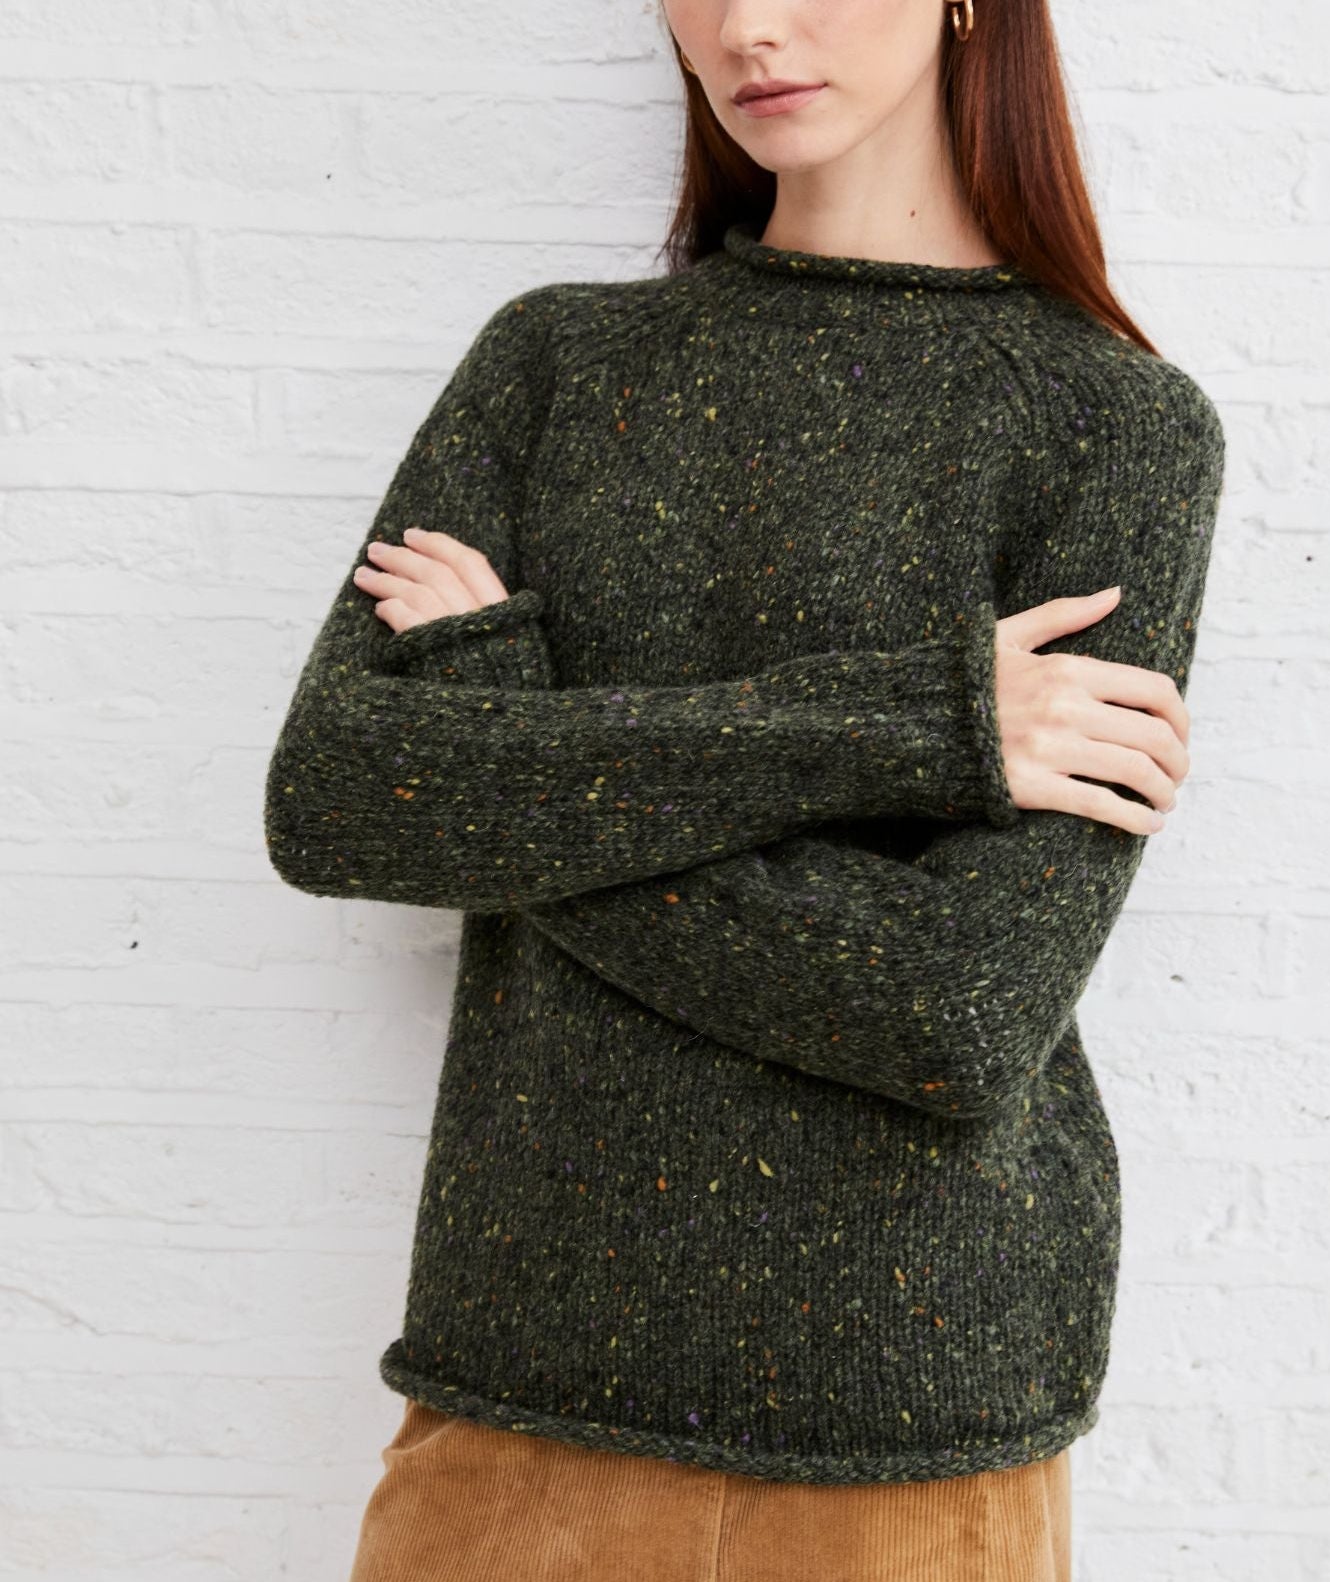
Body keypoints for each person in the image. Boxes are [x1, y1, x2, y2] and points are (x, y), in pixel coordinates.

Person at [264, 2, 1227, 1577]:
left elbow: (956, 1005)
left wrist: (508, 750)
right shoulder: (556, 361)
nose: (745, 27)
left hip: (911, 1416)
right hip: (518, 1388)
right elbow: (340, 803)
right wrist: (915, 720)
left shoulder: (1112, 422)